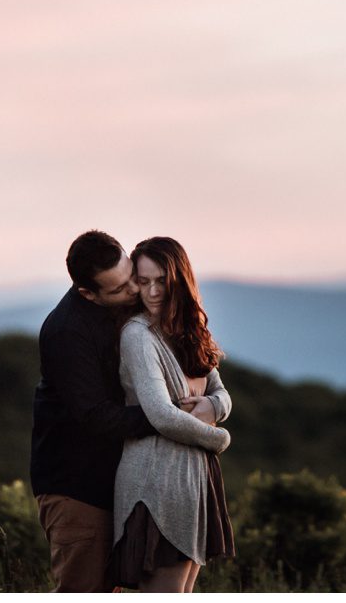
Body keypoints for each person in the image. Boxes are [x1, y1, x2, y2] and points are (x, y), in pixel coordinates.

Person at [30, 230, 161, 593]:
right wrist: (169, 419)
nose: (134, 291)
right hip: (77, 490)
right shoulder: (66, 331)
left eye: (131, 276)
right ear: (87, 292)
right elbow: (95, 416)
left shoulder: (125, 306)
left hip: (117, 483)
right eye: (119, 289)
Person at [109, 236, 235, 593]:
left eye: (160, 281)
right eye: (143, 281)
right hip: (155, 482)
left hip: (194, 480)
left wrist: (213, 407)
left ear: (179, 279)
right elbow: (162, 415)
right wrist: (219, 437)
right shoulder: (138, 335)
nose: (151, 292)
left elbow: (221, 393)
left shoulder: (189, 331)